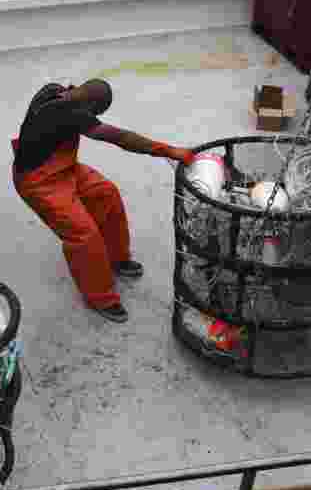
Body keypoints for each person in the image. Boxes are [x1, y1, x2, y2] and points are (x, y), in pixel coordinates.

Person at [11, 79, 195, 323]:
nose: (95, 119)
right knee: (83, 234)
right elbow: (120, 137)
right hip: (39, 182)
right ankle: (101, 297)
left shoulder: (54, 90)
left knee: (107, 193)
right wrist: (169, 151)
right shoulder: (68, 113)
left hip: (64, 169)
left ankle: (117, 258)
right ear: (90, 107)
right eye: (96, 114)